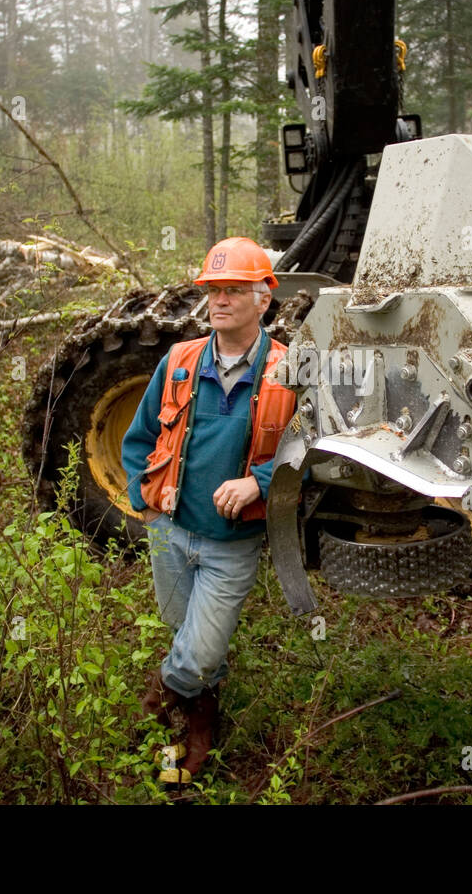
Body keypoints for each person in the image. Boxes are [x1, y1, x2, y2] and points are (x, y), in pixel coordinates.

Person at [121, 237, 295, 785]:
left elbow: (308, 452)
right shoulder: (179, 361)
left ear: (263, 298)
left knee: (193, 657)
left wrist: (257, 482)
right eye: (213, 290)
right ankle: (200, 734)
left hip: (230, 544)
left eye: (234, 291)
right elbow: (140, 437)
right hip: (169, 535)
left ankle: (149, 711)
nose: (220, 301)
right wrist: (143, 502)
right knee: (196, 644)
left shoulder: (288, 371)